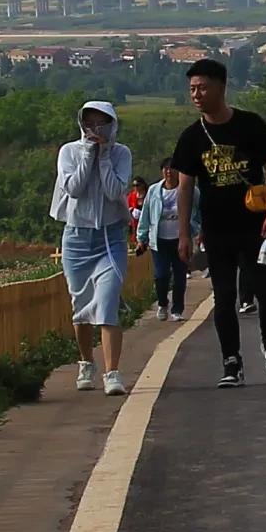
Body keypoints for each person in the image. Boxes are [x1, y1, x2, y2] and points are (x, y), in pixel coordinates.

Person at [169, 58, 266, 387]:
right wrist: (184, 233)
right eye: (192, 89)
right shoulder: (192, 137)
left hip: (256, 227)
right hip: (216, 230)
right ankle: (231, 361)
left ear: (221, 87)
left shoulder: (250, 124)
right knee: (223, 298)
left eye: (203, 87)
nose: (196, 94)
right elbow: (185, 187)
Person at [51, 99, 135, 397]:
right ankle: (86, 363)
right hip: (77, 238)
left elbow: (115, 191)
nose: (96, 129)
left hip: (110, 238)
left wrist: (104, 157)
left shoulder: (121, 153)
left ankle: (112, 372)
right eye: (90, 123)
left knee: (107, 301)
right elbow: (73, 189)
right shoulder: (69, 152)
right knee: (82, 304)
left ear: (112, 124)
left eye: (102, 123)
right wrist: (88, 153)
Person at [136, 165, 190, 319]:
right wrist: (141, 238)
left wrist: (197, 231)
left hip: (180, 240)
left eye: (172, 168)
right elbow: (145, 214)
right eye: (165, 169)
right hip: (159, 240)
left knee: (180, 276)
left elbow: (196, 212)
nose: (169, 172)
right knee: (161, 275)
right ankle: (162, 303)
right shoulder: (154, 191)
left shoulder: (188, 189)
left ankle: (177, 309)